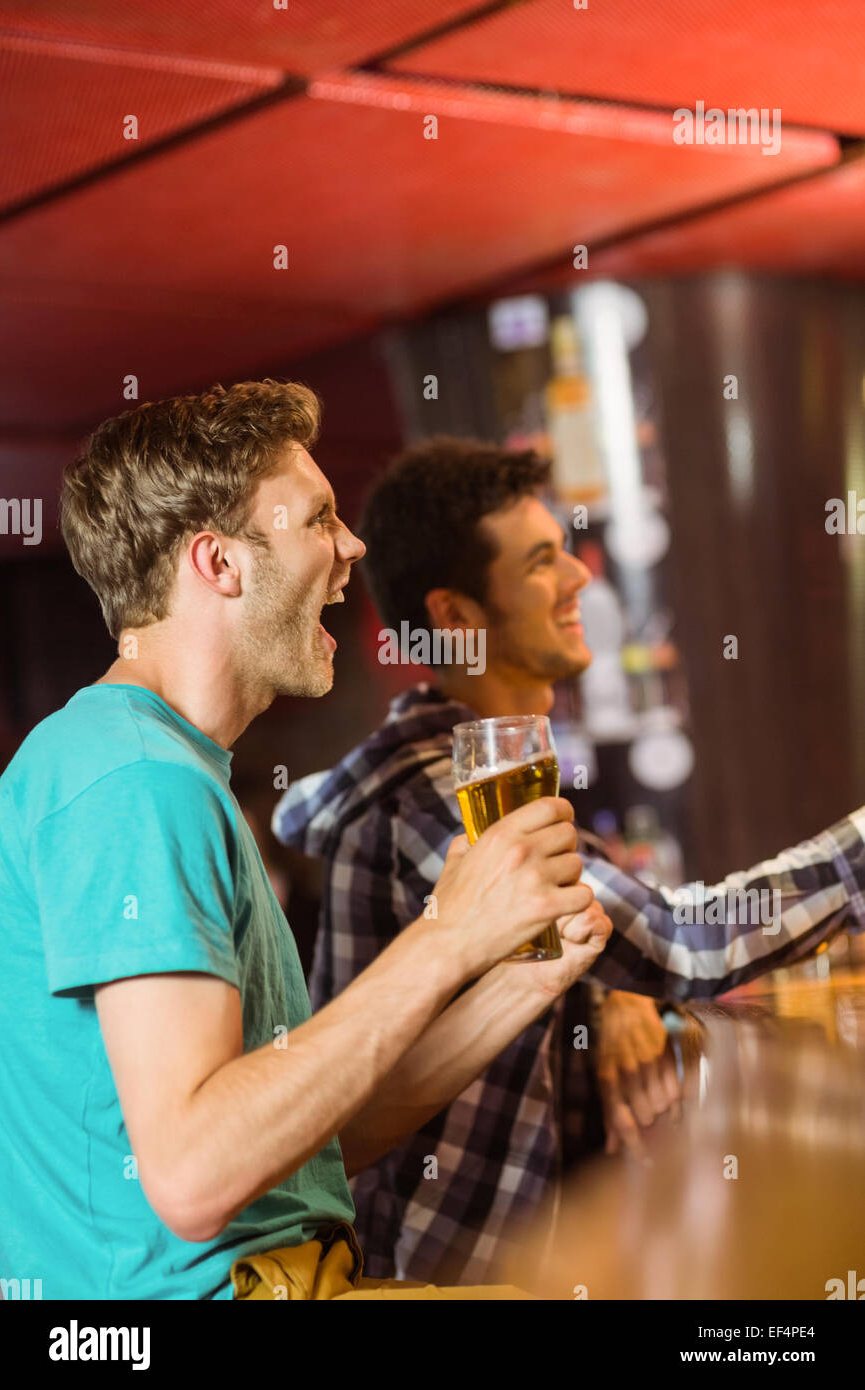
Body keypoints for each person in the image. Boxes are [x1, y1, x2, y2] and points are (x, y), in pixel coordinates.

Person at [0, 380, 612, 1302]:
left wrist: (519, 978)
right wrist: (447, 935)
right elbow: (196, 1174)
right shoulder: (138, 781)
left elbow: (311, 1146)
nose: (352, 545)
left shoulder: (158, 764)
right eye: (319, 517)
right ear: (218, 563)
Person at [273, 436, 865, 1285]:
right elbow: (681, 942)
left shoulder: (459, 760)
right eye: (543, 561)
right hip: (438, 1267)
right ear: (457, 618)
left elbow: (587, 936)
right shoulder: (447, 788)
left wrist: (610, 984)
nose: (582, 577)